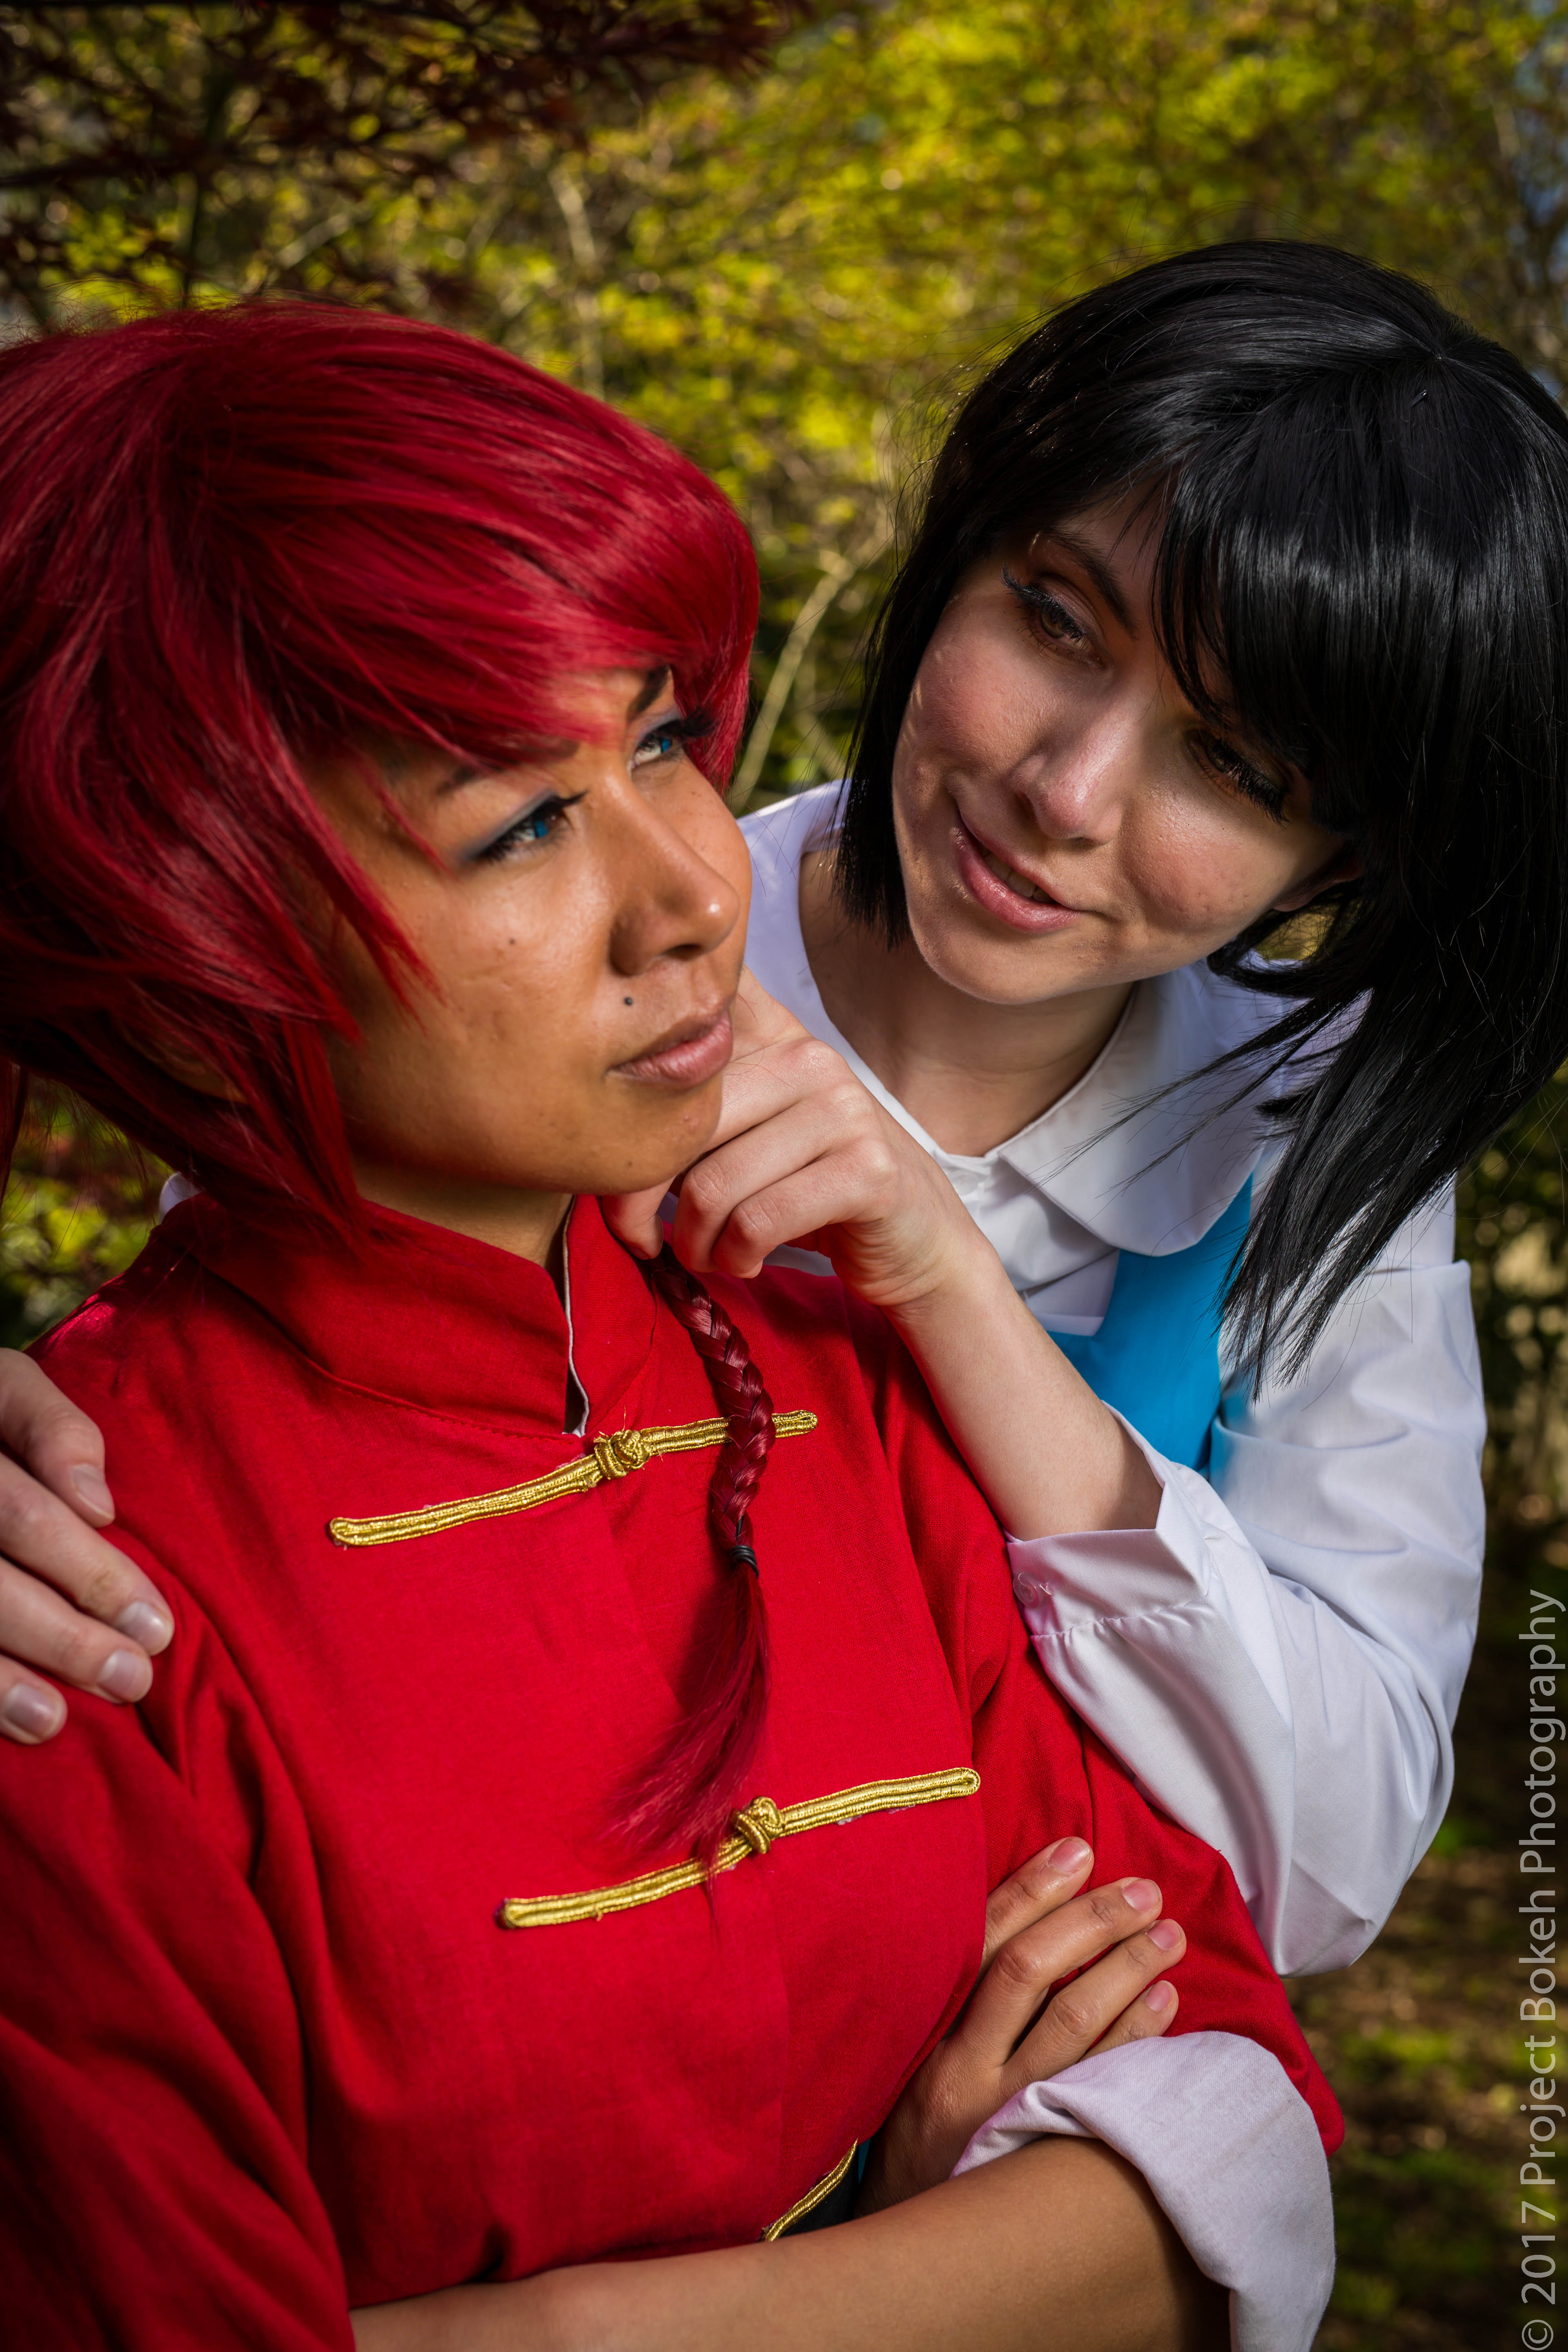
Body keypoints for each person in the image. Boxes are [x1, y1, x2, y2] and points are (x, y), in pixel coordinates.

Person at [0, 302, 1334, 2352]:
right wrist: (947, 2262)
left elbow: (1232, 2112)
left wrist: (573, 2332)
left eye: (658, 745)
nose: (703, 892)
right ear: (192, 931)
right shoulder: (81, 1611)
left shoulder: (829, 1373)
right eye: (518, 824)